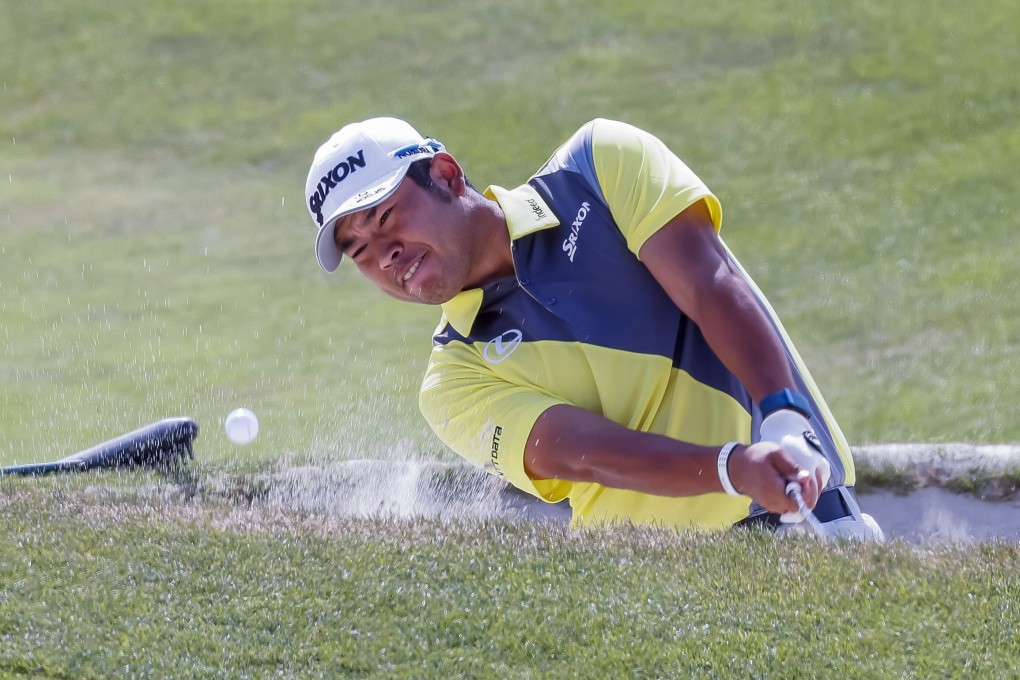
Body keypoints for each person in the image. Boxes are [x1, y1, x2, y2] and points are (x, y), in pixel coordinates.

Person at [304, 116, 883, 539]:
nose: (384, 255)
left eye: (386, 218)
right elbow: (580, 453)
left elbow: (709, 283)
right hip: (650, 588)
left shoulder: (597, 168)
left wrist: (783, 416)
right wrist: (734, 468)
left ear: (448, 176)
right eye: (359, 250)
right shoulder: (451, 381)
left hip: (807, 516)